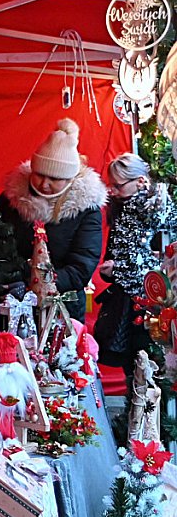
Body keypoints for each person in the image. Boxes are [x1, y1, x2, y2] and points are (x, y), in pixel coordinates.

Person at [0, 118, 107, 322]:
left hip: (63, 307)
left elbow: (82, 265)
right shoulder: (11, 199)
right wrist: (13, 278)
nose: (44, 184)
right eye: (39, 174)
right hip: (12, 302)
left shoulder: (86, 210)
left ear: (70, 178)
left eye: (55, 179)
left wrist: (39, 283)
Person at [96, 153, 177, 374]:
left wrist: (118, 269)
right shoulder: (123, 208)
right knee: (132, 365)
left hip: (150, 301)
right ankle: (135, 407)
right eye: (111, 185)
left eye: (118, 186)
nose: (113, 191)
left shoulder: (157, 212)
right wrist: (112, 269)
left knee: (147, 364)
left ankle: (145, 407)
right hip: (128, 297)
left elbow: (158, 263)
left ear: (140, 181)